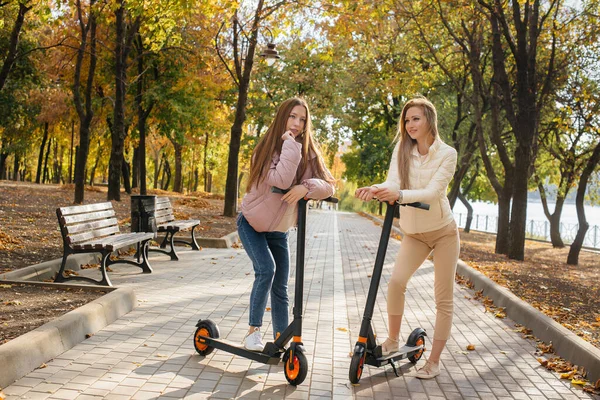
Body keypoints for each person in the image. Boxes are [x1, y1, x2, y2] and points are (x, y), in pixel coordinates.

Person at [354, 96, 459, 379]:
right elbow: (392, 182)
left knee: (443, 299)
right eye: (407, 119)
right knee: (396, 282)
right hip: (414, 233)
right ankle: (392, 339)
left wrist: (399, 196)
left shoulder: (447, 154)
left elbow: (433, 192)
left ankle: (434, 361)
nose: (410, 124)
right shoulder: (402, 148)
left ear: (429, 121)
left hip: (443, 232)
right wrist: (376, 189)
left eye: (416, 119)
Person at [238, 97, 335, 351]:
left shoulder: (309, 152)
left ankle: (281, 337)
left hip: (278, 230)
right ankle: (253, 332)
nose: (297, 123)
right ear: (283, 117)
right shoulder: (267, 149)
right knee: (266, 270)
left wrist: (306, 187)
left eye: (302, 119)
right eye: (292, 117)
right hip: (251, 223)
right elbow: (281, 180)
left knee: (280, 285)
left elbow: (329, 186)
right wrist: (290, 145)